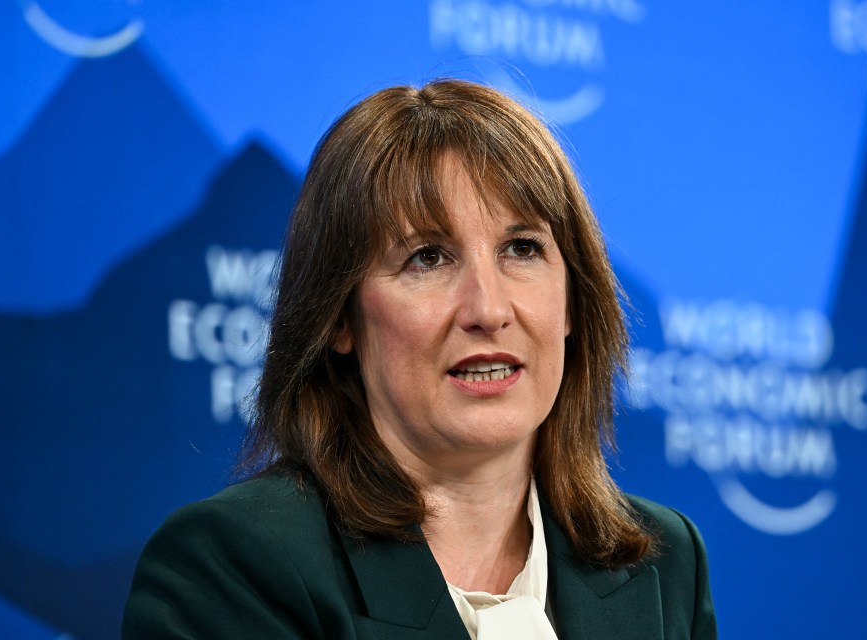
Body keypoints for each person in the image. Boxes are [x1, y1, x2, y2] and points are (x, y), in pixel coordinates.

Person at [122, 78, 717, 639]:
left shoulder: (665, 564)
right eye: (428, 258)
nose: (488, 309)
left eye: (522, 248)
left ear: (570, 303)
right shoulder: (234, 565)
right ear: (339, 317)